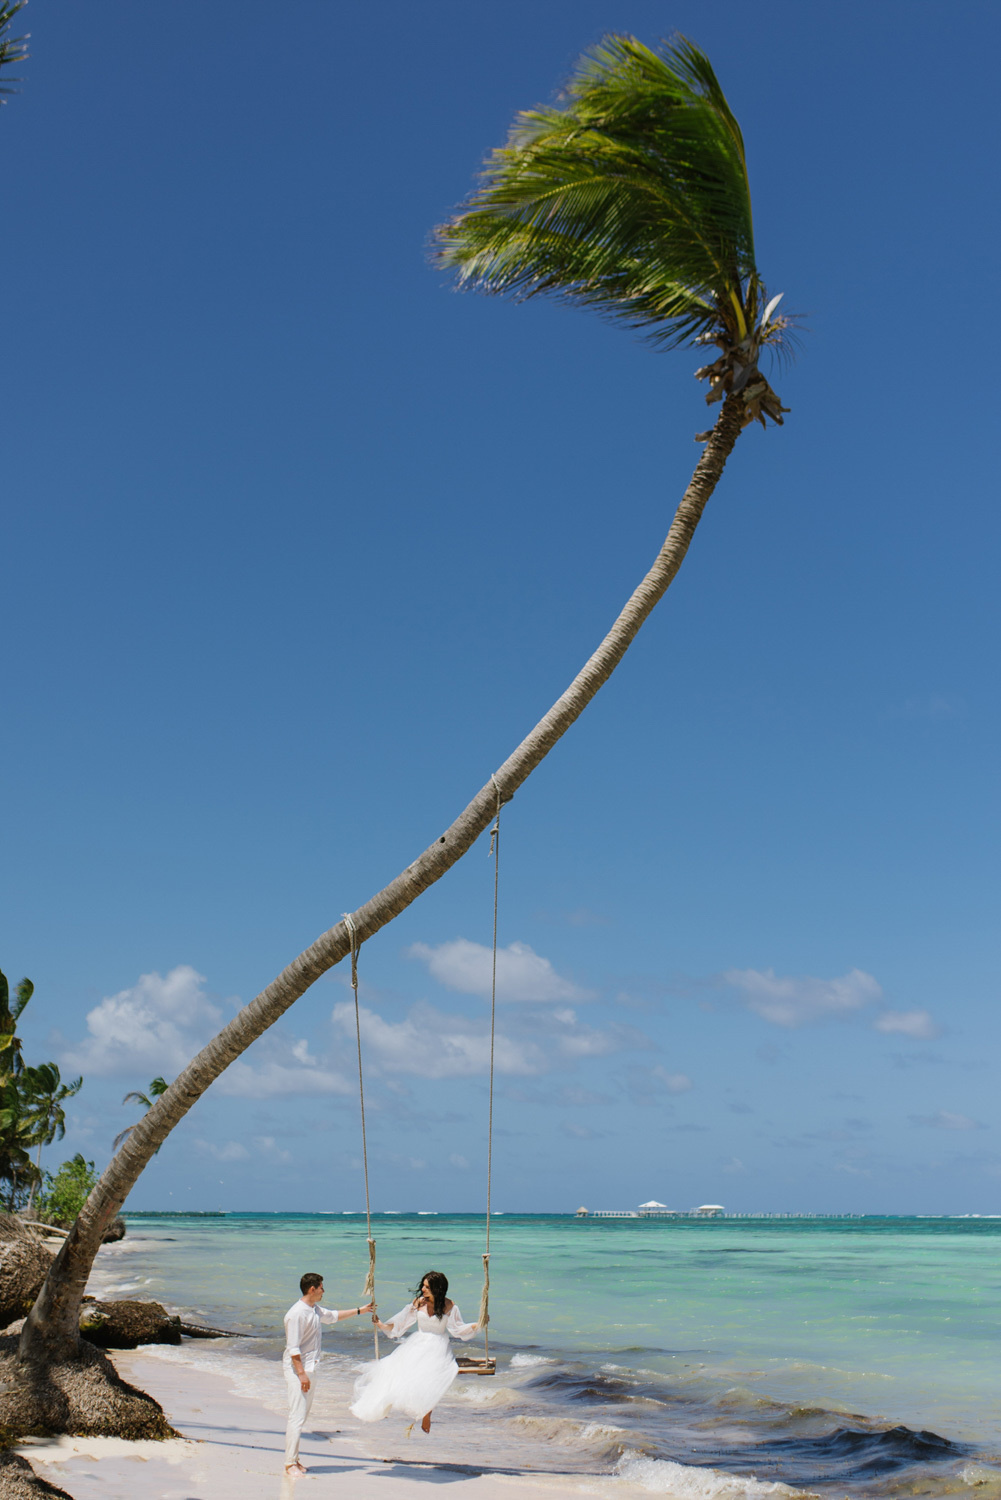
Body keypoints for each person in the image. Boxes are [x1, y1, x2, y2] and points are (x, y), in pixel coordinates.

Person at [350, 1269, 479, 1434]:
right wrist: (382, 1325)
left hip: (438, 1344)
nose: (423, 1289)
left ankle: (427, 1412)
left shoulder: (449, 1305)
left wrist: (477, 1324)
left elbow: (457, 1329)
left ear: (437, 1289)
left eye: (427, 1287)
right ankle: (407, 1406)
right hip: (418, 1342)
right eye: (423, 1286)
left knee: (430, 1377)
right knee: (396, 1373)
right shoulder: (419, 1303)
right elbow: (402, 1322)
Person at [283, 1272, 375, 1476]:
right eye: (322, 1287)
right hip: (299, 1370)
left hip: (310, 1367)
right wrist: (302, 1375)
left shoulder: (314, 1310)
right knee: (296, 1417)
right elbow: (293, 1349)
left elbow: (333, 1317)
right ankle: (290, 1464)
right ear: (312, 1289)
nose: (324, 1291)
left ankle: (294, 1460)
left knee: (301, 1416)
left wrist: (361, 1310)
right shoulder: (296, 1314)